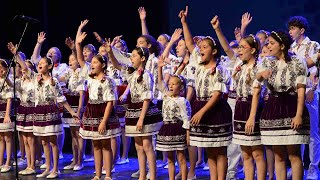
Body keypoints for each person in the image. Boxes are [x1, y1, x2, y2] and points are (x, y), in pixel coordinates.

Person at [179, 6, 233, 180]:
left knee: (220, 150)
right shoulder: (199, 65)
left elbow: (217, 94)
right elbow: (189, 43)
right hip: (201, 105)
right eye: (199, 47)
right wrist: (184, 23)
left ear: (214, 51)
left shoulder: (220, 69)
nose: (199, 49)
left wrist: (201, 112)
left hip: (215, 109)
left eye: (204, 47)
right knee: (209, 149)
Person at [107, 34, 163, 179]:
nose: (131, 58)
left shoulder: (146, 75)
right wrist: (110, 52)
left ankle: (152, 176)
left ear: (142, 58)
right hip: (133, 110)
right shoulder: (132, 73)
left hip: (144, 111)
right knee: (138, 146)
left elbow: (146, 98)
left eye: (134, 56)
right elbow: (118, 66)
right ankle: (142, 175)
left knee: (147, 145)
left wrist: (141, 119)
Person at [256, 30, 310, 180]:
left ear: (282, 46)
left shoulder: (298, 62)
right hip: (273, 107)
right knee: (278, 155)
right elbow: (256, 77)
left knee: (294, 154)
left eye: (272, 43)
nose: (268, 46)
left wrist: (298, 115)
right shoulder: (267, 61)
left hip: (292, 106)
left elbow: (301, 89)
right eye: (268, 43)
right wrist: (261, 75)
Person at [75, 20, 121, 180]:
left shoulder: (108, 80)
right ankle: (98, 174)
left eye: (95, 62)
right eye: (92, 62)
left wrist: (104, 121)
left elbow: (110, 102)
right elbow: (81, 60)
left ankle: (108, 174)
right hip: (91, 111)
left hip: (104, 112)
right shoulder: (90, 76)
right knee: (95, 144)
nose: (91, 64)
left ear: (103, 65)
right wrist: (78, 44)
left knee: (106, 145)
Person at [287, 15, 320, 180]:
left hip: (309, 91)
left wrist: (313, 89)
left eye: (293, 28)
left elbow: (317, 70)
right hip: (294, 93)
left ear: (302, 30)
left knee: (313, 132)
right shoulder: (290, 48)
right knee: (296, 131)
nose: (290, 31)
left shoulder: (313, 45)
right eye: (289, 29)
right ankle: (296, 167)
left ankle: (313, 168)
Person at [156, 56, 191, 180]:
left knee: (181, 158)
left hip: (178, 129)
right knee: (170, 158)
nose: (170, 86)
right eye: (169, 84)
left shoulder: (182, 101)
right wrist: (160, 68)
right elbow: (160, 84)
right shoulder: (166, 96)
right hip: (166, 128)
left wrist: (187, 135)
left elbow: (186, 119)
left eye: (174, 84)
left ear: (181, 87)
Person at [61, 53, 86, 171]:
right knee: (73, 134)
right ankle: (74, 160)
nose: (70, 62)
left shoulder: (81, 72)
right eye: (69, 59)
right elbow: (60, 78)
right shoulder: (69, 73)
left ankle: (80, 161)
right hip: (70, 104)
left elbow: (82, 94)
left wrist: (80, 110)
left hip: (78, 105)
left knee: (79, 134)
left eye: (73, 59)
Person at [0, 59, 14, 173]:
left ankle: (8, 162)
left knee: (7, 138)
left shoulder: (8, 80)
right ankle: (0, 161)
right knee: (0, 138)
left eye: (1, 67)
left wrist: (7, 115)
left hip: (5, 109)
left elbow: (9, 98)